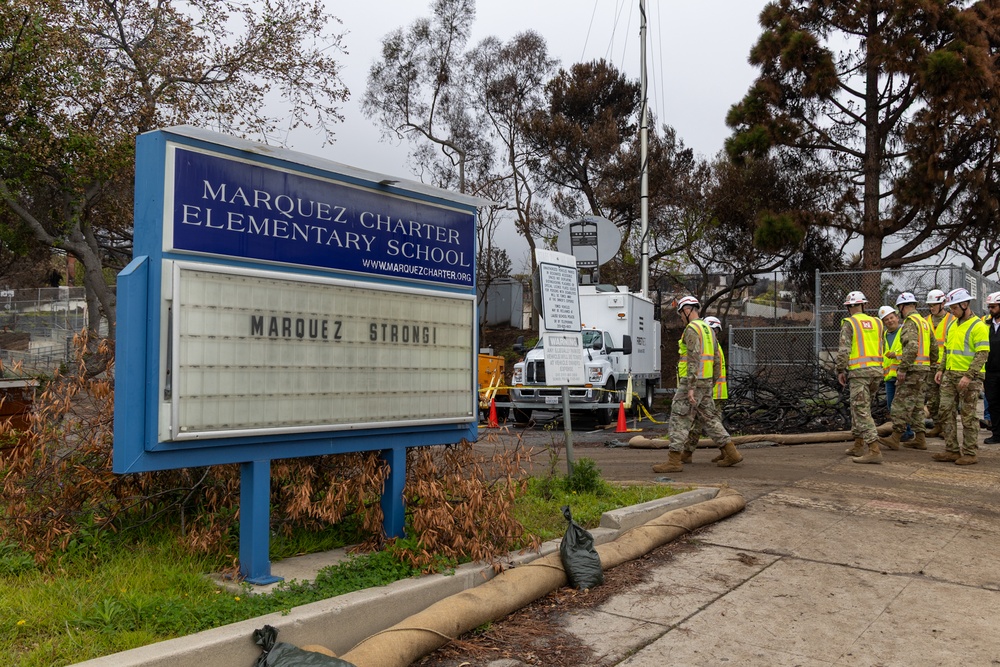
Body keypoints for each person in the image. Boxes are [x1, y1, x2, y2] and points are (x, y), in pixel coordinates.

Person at [652, 297, 742, 473]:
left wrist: (691, 386)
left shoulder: (692, 329)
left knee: (679, 417)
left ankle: (674, 461)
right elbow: (716, 358)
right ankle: (731, 453)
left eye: (680, 314)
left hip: (691, 382)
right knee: (710, 419)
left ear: (687, 310)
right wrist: (711, 382)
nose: (680, 318)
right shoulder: (708, 329)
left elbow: (694, 357)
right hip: (706, 381)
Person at [932, 288, 990, 465]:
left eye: (954, 308)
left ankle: (970, 452)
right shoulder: (952, 324)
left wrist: (969, 376)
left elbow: (982, 353)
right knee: (945, 411)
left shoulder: (977, 326)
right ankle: (952, 450)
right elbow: (948, 350)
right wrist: (941, 369)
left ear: (965, 305)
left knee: (968, 415)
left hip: (969, 378)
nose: (952, 311)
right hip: (950, 375)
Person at [881, 293, 938, 451]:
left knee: (899, 404)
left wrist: (903, 368)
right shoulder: (924, 323)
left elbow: (911, 347)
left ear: (902, 307)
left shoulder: (910, 322)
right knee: (918, 405)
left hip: (912, 370)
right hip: (924, 369)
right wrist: (929, 364)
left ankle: (895, 437)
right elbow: (934, 348)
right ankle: (920, 438)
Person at [836, 291, 885, 464]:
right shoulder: (877, 322)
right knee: (861, 408)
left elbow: (844, 350)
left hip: (859, 373)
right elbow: (882, 345)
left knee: (860, 410)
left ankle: (874, 449)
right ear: (863, 304)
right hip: (877, 371)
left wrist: (840, 370)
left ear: (849, 307)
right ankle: (858, 444)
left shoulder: (849, 323)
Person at [677, 315, 729, 464]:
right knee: (712, 423)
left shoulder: (710, 347)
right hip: (715, 391)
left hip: (708, 391)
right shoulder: (715, 346)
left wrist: (695, 387)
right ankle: (726, 452)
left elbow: (706, 368)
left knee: (701, 424)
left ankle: (687, 453)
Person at [877, 305, 912, 447]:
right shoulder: (885, 335)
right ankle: (903, 431)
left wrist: (897, 355)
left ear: (897, 317)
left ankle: (906, 432)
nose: (890, 321)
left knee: (901, 407)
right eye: (886, 320)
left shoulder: (904, 331)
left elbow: (912, 352)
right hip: (889, 376)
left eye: (891, 318)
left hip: (901, 375)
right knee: (892, 407)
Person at [924, 289, 953, 436]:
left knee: (945, 400)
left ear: (943, 303)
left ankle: (946, 428)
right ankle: (937, 425)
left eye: (934, 304)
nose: (932, 307)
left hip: (946, 365)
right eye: (930, 305)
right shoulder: (925, 321)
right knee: (932, 398)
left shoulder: (952, 320)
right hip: (930, 365)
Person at [983, 292, 1000, 445]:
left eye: (993, 306)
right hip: (990, 371)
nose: (991, 309)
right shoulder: (986, 323)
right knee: (993, 402)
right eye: (989, 307)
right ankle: (996, 434)